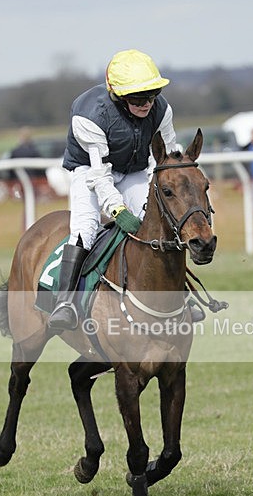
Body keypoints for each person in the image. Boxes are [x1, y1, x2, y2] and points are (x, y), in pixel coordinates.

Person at [48, 48, 177, 332]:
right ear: (118, 96)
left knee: (159, 224)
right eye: (138, 98)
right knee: (86, 227)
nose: (147, 104)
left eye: (151, 95)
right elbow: (100, 176)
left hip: (133, 169)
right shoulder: (90, 116)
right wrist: (118, 211)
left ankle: (178, 297)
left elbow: (166, 157)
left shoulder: (162, 110)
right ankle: (65, 302)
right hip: (90, 171)